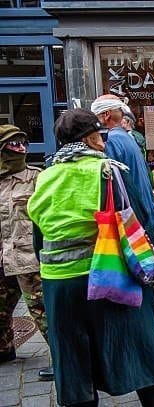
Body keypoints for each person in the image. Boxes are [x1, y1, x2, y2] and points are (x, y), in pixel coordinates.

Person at [27, 109, 154, 406]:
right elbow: (136, 218)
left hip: (59, 283)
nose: (104, 142)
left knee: (73, 357)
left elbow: (38, 236)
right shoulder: (108, 170)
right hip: (106, 272)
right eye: (100, 136)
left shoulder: (46, 176)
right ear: (91, 138)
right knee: (139, 342)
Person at [0, 125, 53, 381]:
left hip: (28, 258)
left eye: (22, 144)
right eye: (13, 144)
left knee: (43, 312)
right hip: (3, 258)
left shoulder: (36, 177)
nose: (20, 149)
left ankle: (65, 360)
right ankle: (4, 349)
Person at [91, 95, 154, 246]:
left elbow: (114, 186)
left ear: (106, 114)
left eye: (95, 116)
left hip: (133, 220)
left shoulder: (112, 141)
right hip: (143, 215)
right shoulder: (127, 138)